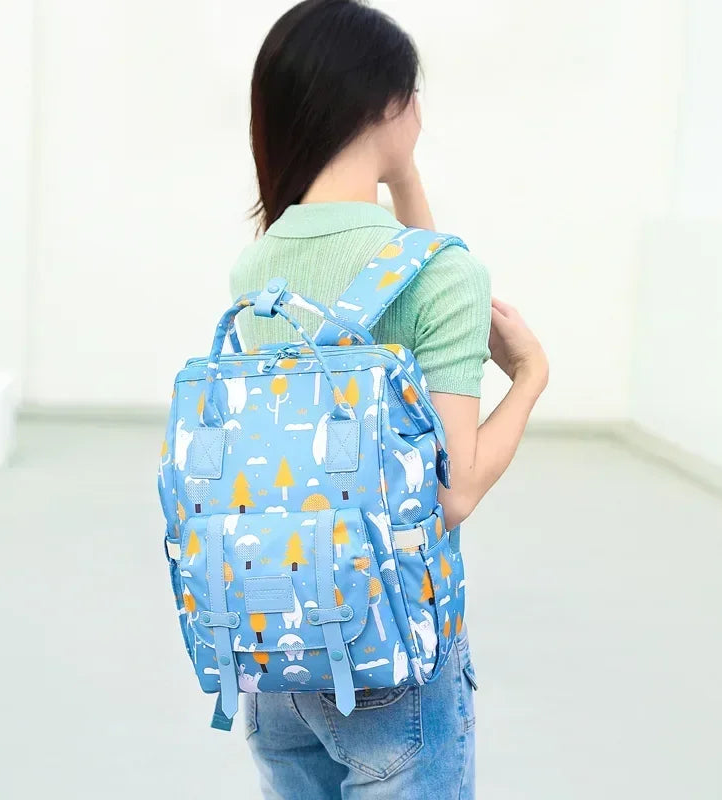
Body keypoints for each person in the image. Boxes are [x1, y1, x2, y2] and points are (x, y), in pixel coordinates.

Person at [229, 2, 548, 797]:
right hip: (388, 651)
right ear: (388, 103)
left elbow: (417, 266)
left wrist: (398, 172)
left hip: (275, 647)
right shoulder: (446, 277)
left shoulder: (257, 266)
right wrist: (531, 377)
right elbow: (453, 492)